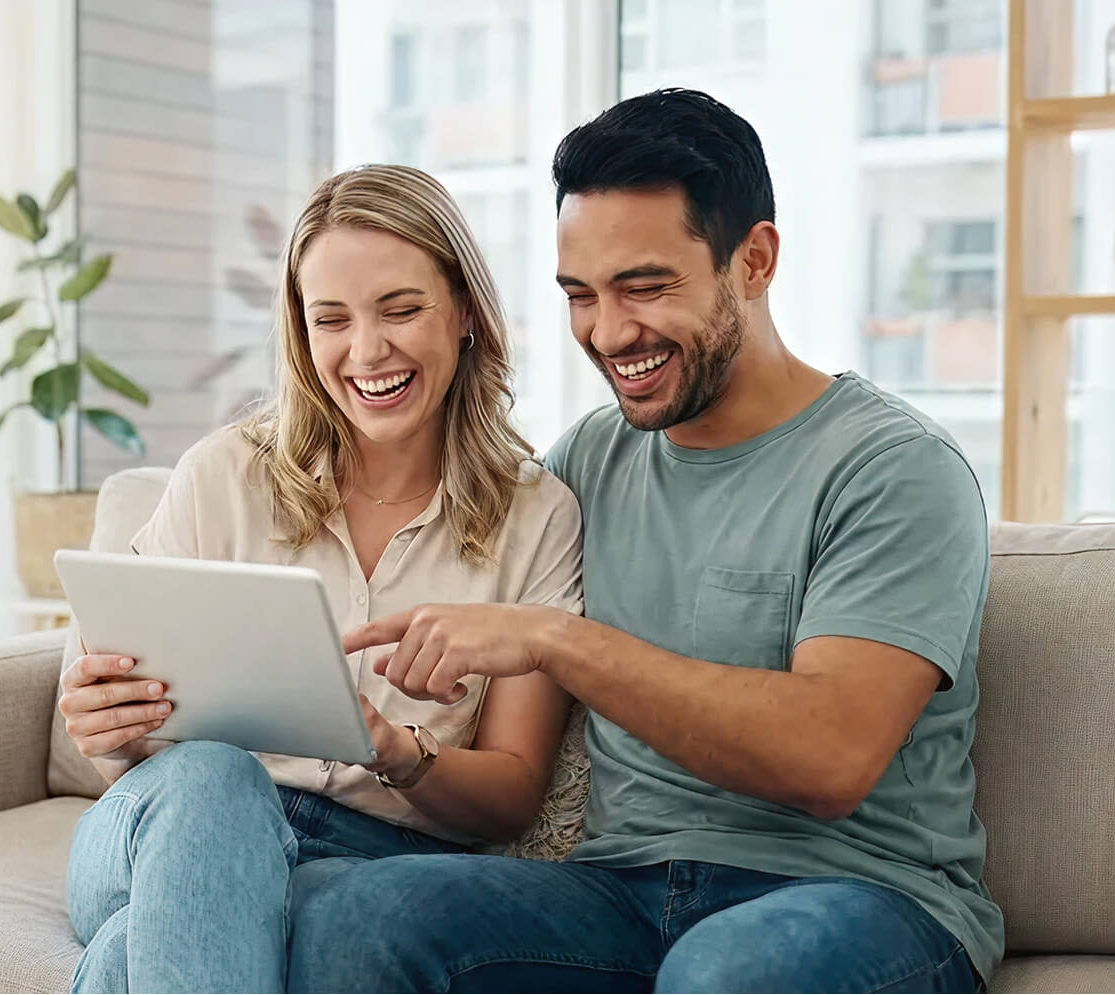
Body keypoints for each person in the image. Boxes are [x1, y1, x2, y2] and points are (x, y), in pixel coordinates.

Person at [288, 89, 1004, 993]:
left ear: (754, 260)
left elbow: (828, 759)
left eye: (646, 286)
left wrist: (555, 638)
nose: (609, 331)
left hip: (862, 896)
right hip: (622, 895)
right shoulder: (590, 461)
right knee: (362, 916)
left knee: (723, 974)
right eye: (581, 295)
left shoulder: (894, 470)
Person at [56, 163, 583, 994]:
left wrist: (394, 751)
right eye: (330, 319)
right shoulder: (223, 475)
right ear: (303, 336)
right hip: (175, 818)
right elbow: (122, 748)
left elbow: (513, 792)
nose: (367, 351)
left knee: (148, 950)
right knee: (214, 775)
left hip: (376, 853)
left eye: (401, 309)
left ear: (466, 312)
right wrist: (110, 725)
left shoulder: (537, 516)